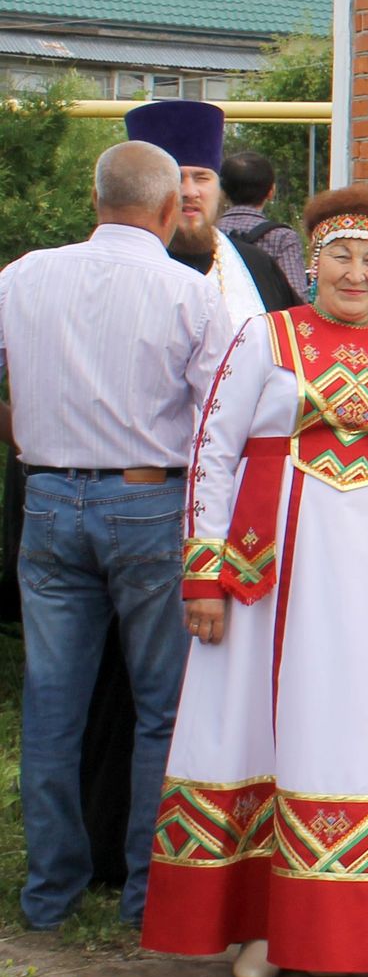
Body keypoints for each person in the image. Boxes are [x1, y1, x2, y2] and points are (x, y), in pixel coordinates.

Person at [140, 189, 368, 977]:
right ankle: (261, 921)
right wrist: (203, 571)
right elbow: (214, 452)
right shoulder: (264, 337)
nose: (356, 273)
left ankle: (337, 925)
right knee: (257, 731)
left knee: (346, 736)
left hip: (363, 590)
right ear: (312, 265)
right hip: (268, 579)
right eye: (341, 255)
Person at [0, 139, 231, 929]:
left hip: (49, 493)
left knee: (51, 701)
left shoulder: (23, 275)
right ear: (171, 210)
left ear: (95, 200)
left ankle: (49, 894)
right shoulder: (189, 292)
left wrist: (27, 427)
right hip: (148, 501)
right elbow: (214, 425)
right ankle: (146, 891)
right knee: (162, 706)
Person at [130, 101, 294, 320]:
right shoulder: (124, 269)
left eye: (202, 178)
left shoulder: (257, 266)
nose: (190, 192)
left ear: (219, 188)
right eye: (177, 178)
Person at [217, 149, 307, 306]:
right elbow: (296, 295)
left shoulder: (208, 234)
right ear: (271, 191)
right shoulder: (282, 237)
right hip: (267, 324)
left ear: (223, 192)